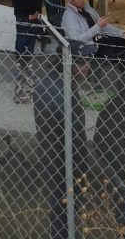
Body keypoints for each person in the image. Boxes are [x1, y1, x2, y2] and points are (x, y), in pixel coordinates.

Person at [33, 56, 88, 239]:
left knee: (59, 198)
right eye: (81, 62)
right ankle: (63, 234)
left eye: (88, 60)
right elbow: (76, 136)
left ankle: (62, 233)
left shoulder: (44, 83)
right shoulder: (66, 93)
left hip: (49, 151)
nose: (87, 66)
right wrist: (82, 165)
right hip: (67, 157)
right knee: (65, 202)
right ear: (67, 62)